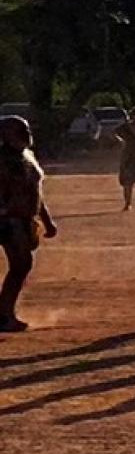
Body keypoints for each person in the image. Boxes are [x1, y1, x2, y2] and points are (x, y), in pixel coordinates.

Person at [0, 114, 54, 333]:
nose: (26, 135)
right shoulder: (5, 160)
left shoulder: (26, 157)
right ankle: (4, 314)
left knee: (21, 265)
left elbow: (35, 194)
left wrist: (47, 221)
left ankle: (4, 312)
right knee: (21, 264)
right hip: (8, 220)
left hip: (20, 219)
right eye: (20, 131)